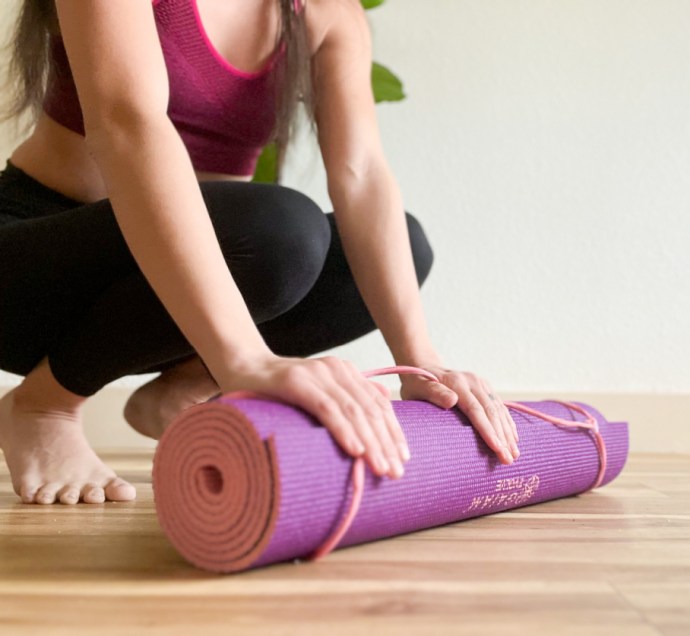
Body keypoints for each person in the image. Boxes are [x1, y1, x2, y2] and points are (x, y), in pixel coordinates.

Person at [0, 0, 520, 506]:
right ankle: (45, 405)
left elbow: (361, 175)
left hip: (163, 304)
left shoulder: (327, 13)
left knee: (400, 245)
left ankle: (183, 389)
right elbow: (128, 125)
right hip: (31, 269)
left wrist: (420, 364)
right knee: (280, 232)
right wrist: (246, 361)